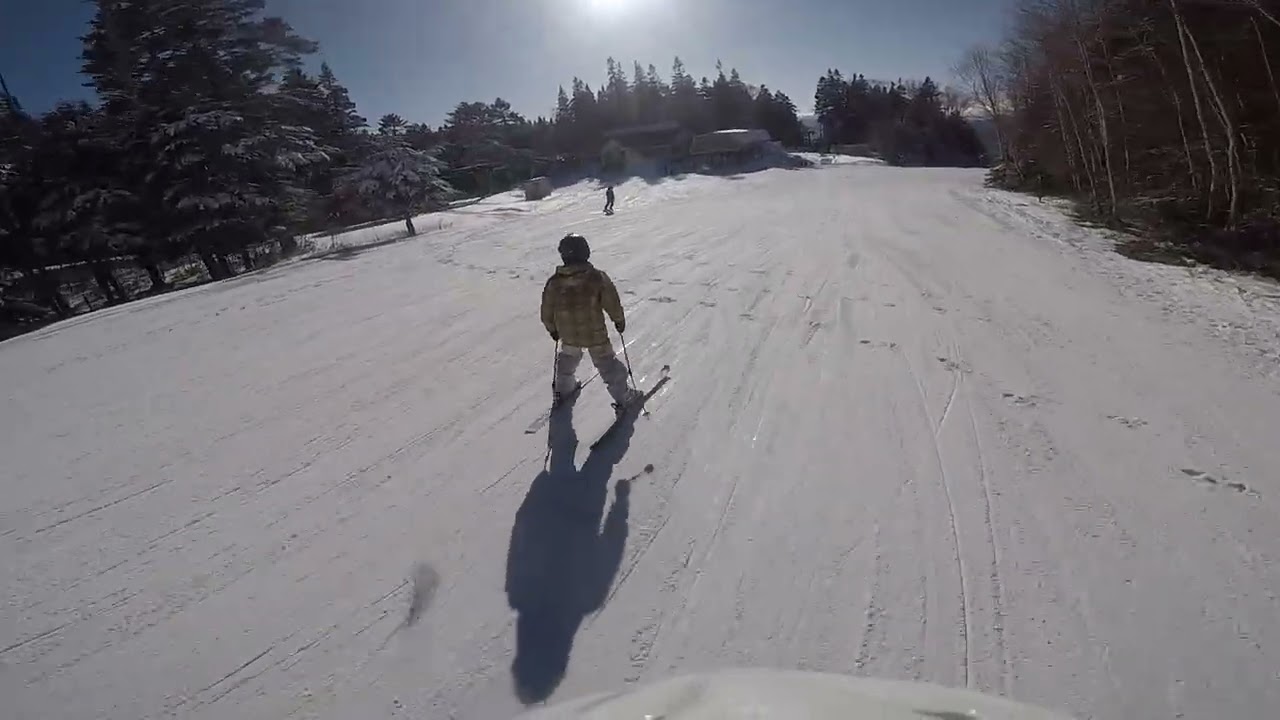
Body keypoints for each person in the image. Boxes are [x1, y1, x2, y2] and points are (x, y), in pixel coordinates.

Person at [541, 233, 641, 415]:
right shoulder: (596, 277)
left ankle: (564, 389)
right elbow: (611, 301)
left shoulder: (554, 283)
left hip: (568, 334)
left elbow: (547, 309)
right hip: (594, 334)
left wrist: (552, 329)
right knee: (607, 364)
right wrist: (619, 320)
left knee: (567, 360)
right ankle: (623, 395)